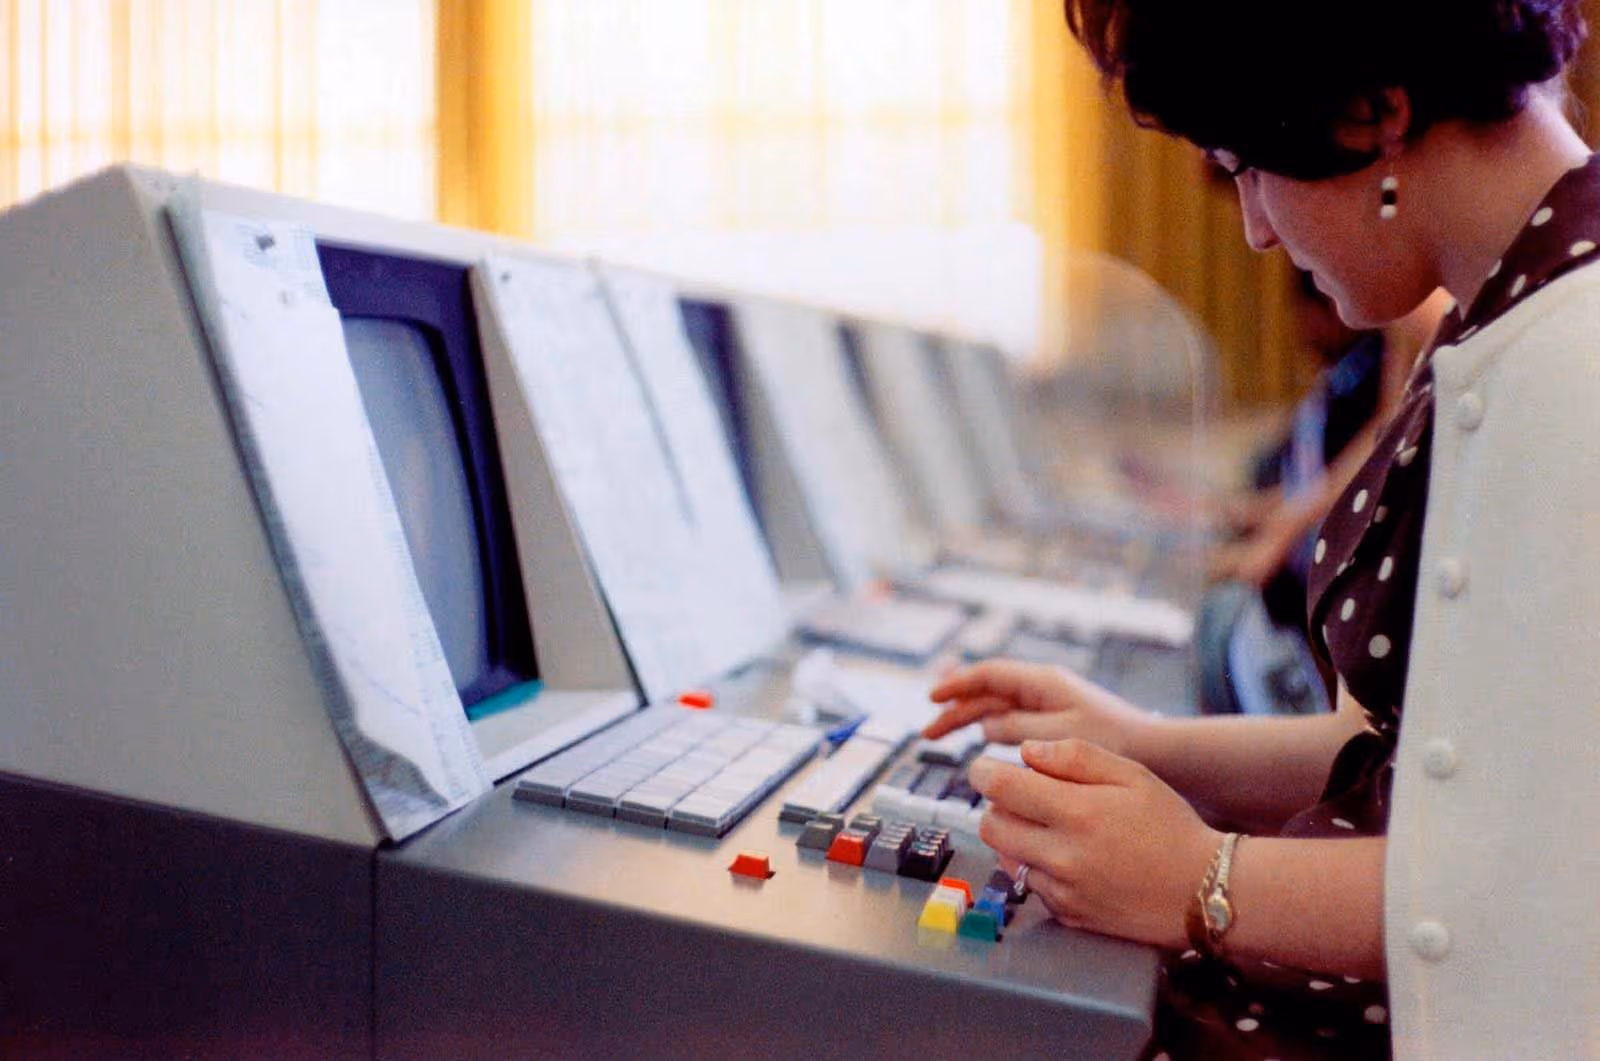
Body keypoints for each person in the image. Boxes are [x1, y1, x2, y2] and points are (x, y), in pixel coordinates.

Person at [924, 2, 1600, 1056]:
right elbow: (1419, 757)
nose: (1252, 225)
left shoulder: (1574, 360)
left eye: (1245, 166)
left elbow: (1540, 885)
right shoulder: (1509, 318)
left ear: (1373, 115)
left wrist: (1197, 878)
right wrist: (1145, 745)